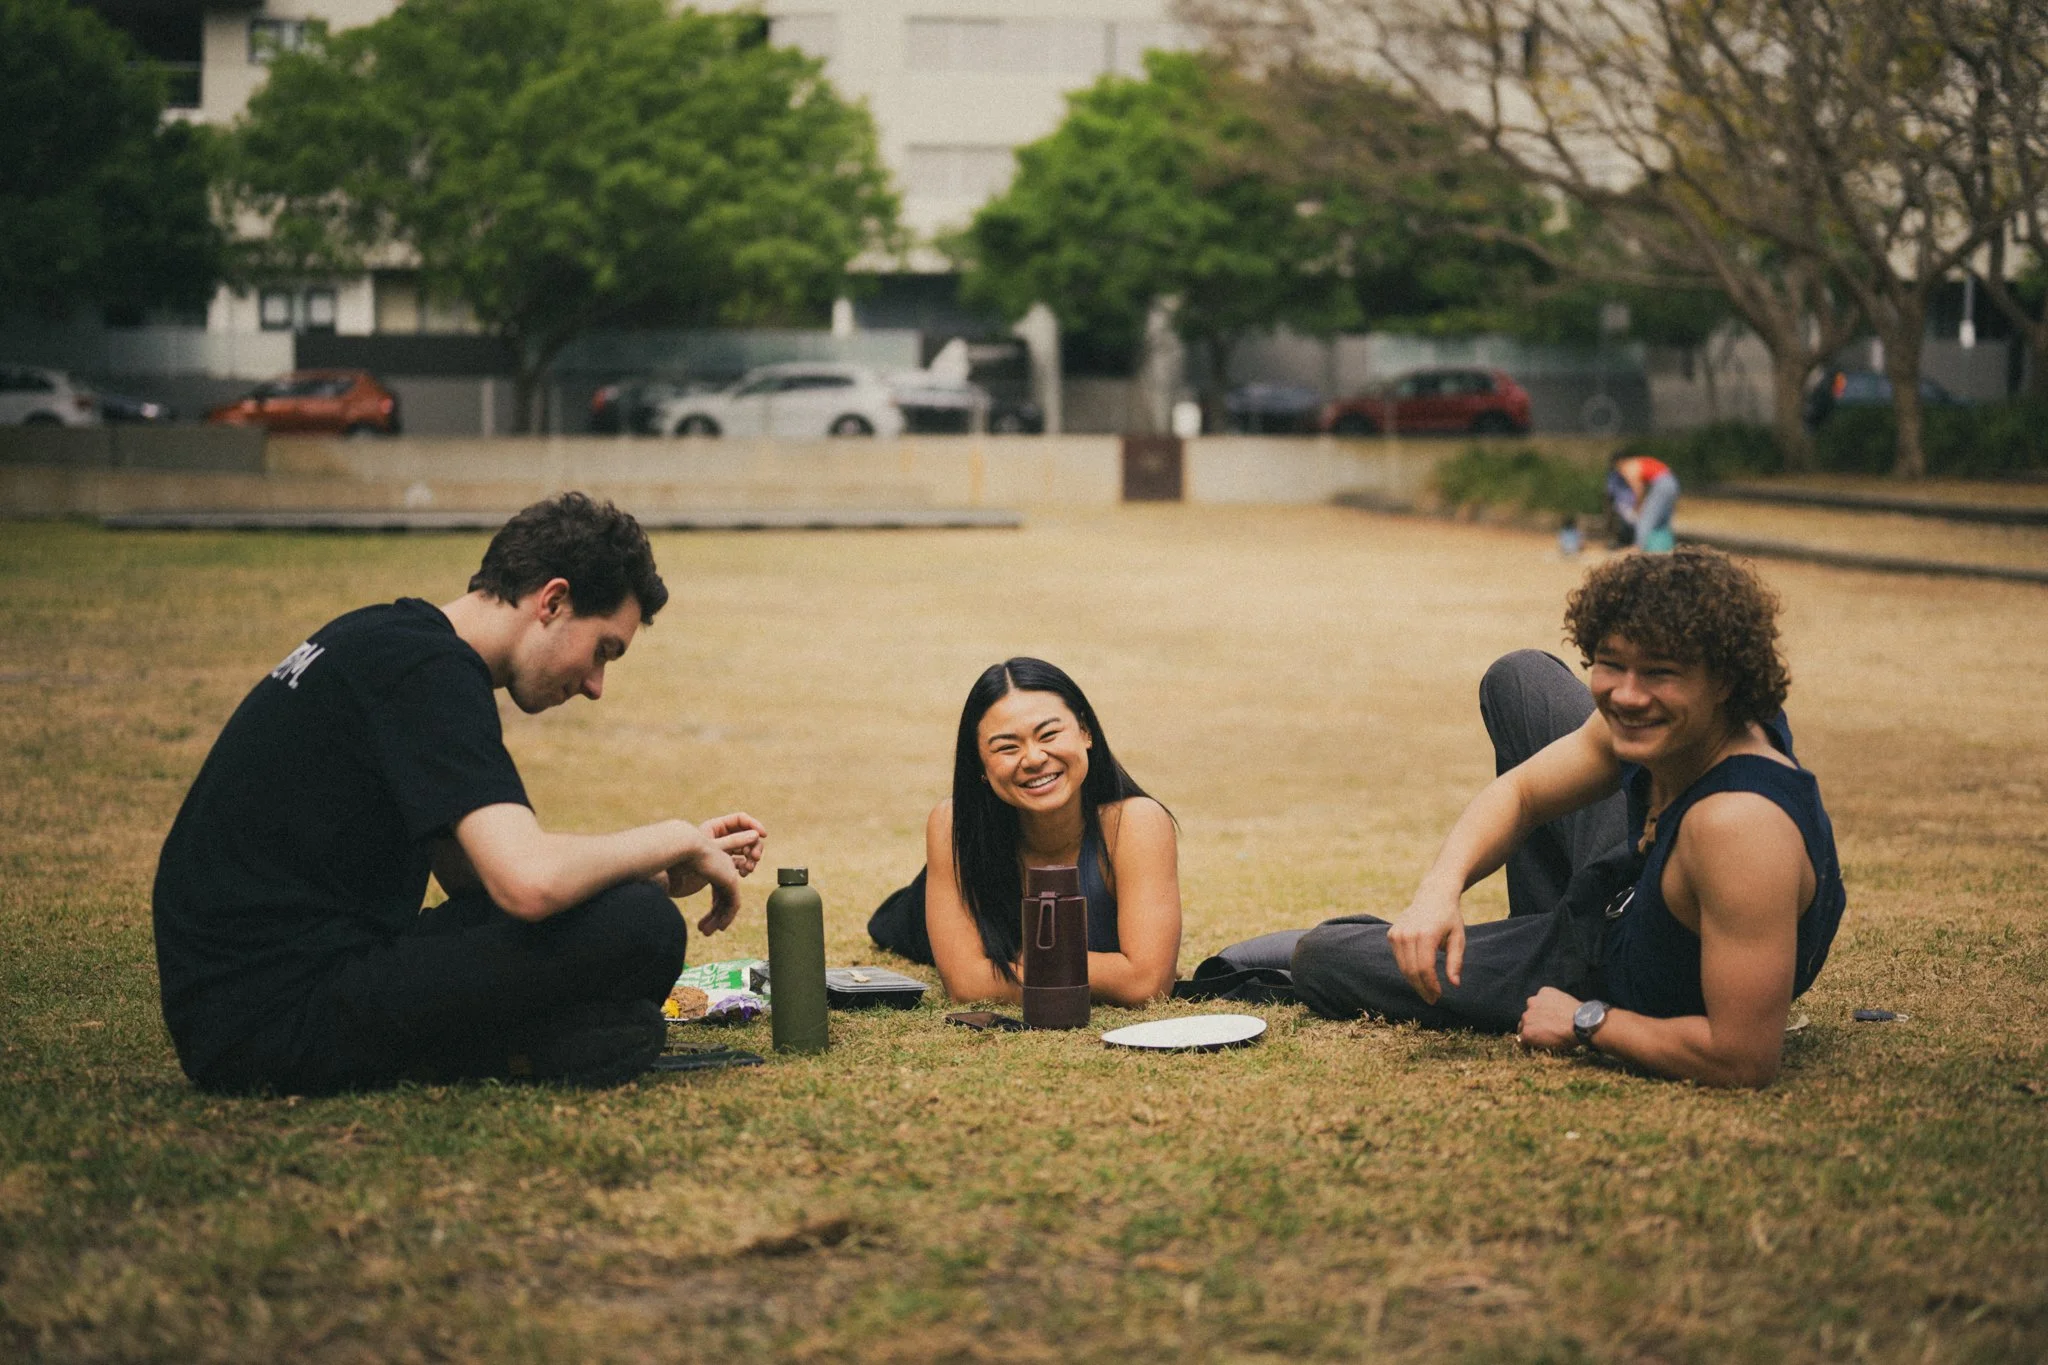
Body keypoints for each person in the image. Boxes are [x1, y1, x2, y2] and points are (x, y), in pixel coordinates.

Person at [152, 493, 766, 1095]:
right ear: (553, 600)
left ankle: (538, 1043)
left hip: (246, 1000)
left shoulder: (391, 638)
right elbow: (527, 885)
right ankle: (525, 1048)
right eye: (602, 650)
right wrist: (673, 837)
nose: (596, 685)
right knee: (640, 930)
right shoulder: (427, 672)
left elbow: (474, 876)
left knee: (635, 910)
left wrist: (656, 873)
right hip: (272, 1019)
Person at [1269, 548, 1844, 1087]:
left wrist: (1587, 1020)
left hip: (1627, 969)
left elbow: (1744, 1057)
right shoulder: (1675, 725)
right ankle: (1530, 930)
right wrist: (1438, 891)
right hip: (1637, 887)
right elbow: (1521, 794)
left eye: (1661, 673)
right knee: (1519, 677)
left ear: (1726, 679)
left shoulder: (1737, 826)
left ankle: (1534, 961)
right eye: (1610, 664)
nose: (1628, 695)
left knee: (1324, 959)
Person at [867, 658, 1181, 1005]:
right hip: (916, 915)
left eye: (1049, 734)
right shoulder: (953, 824)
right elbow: (967, 986)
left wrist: (1019, 963)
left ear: (1085, 732)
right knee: (890, 926)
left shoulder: (1135, 823)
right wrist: (1109, 972)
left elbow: (1147, 984)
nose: (1033, 758)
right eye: (1006, 747)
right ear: (981, 766)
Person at [1608, 449, 1680, 552]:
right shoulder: (1637, 461)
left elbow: (1638, 488)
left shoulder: (1627, 467)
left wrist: (1638, 505)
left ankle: (1638, 546)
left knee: (1645, 519)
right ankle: (1667, 547)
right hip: (1672, 481)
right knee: (1662, 519)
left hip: (1662, 483)